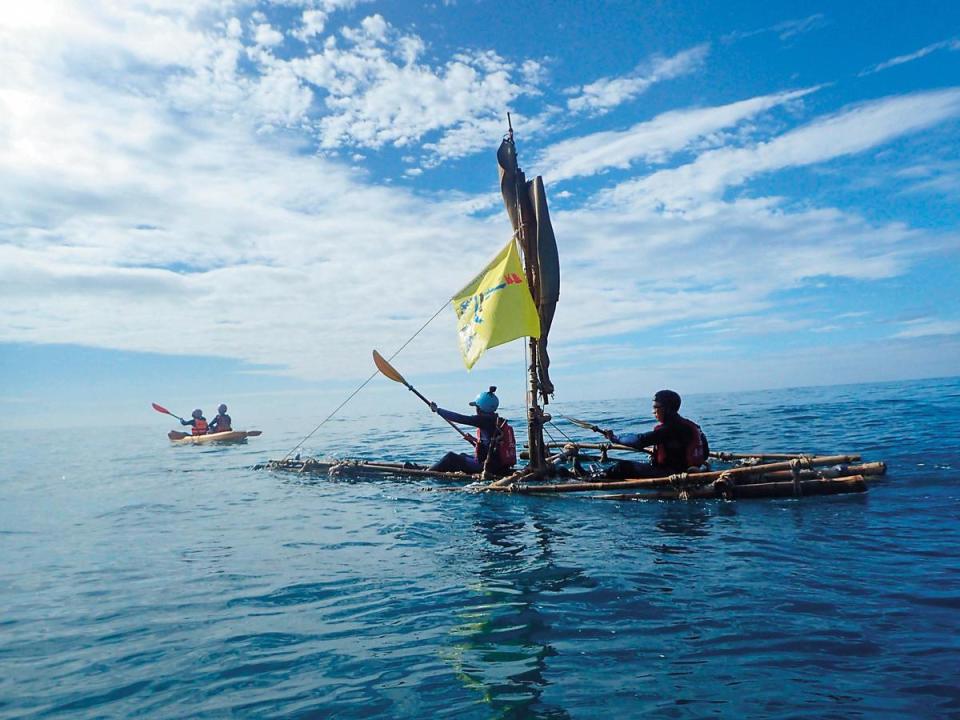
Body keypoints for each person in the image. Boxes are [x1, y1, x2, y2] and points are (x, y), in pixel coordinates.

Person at [602, 390, 709, 478]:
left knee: (623, 467)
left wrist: (614, 438)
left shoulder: (669, 429)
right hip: (692, 470)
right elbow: (706, 453)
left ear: (668, 409)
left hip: (673, 474)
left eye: (656, 407)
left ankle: (597, 477)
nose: (653, 411)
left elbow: (639, 441)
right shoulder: (691, 425)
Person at [428, 386, 516, 475]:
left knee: (450, 457)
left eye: (477, 406)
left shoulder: (482, 420)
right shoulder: (495, 419)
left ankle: (428, 473)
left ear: (480, 408)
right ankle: (434, 469)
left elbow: (461, 418)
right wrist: (473, 440)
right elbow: (489, 443)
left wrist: (438, 410)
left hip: (487, 466)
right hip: (498, 464)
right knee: (462, 455)